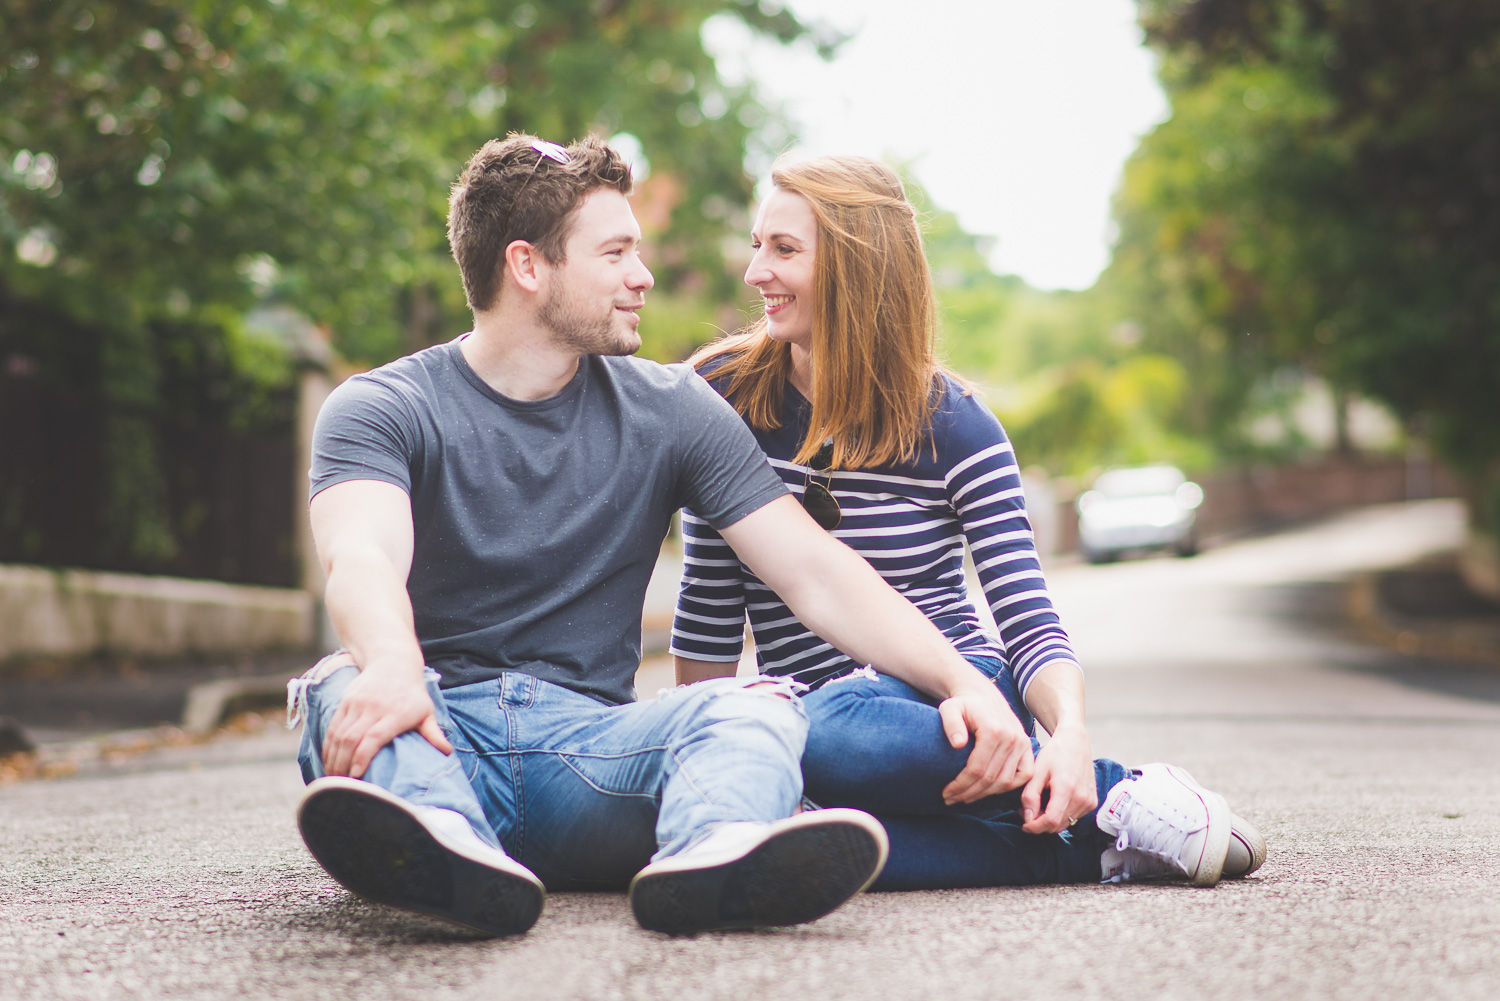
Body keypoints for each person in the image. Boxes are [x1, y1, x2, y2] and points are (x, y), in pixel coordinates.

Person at [289, 135, 1077, 939]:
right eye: (618, 252)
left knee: (751, 707)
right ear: (528, 266)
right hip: (429, 722)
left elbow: (814, 570)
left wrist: (964, 680)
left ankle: (720, 850)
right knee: (336, 686)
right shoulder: (380, 407)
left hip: (588, 756)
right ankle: (445, 844)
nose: (644, 276)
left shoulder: (672, 410)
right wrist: (392, 664)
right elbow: (362, 553)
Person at [671, 154, 1266, 890]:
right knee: (812, 831)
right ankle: (1104, 829)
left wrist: (1071, 737)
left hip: (952, 700)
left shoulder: (956, 425)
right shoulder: (722, 397)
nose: (756, 270)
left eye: (784, 249)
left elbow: (1024, 611)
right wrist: (696, 739)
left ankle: (1102, 782)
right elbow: (707, 603)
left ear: (859, 267)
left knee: (821, 737)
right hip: (812, 716)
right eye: (758, 243)